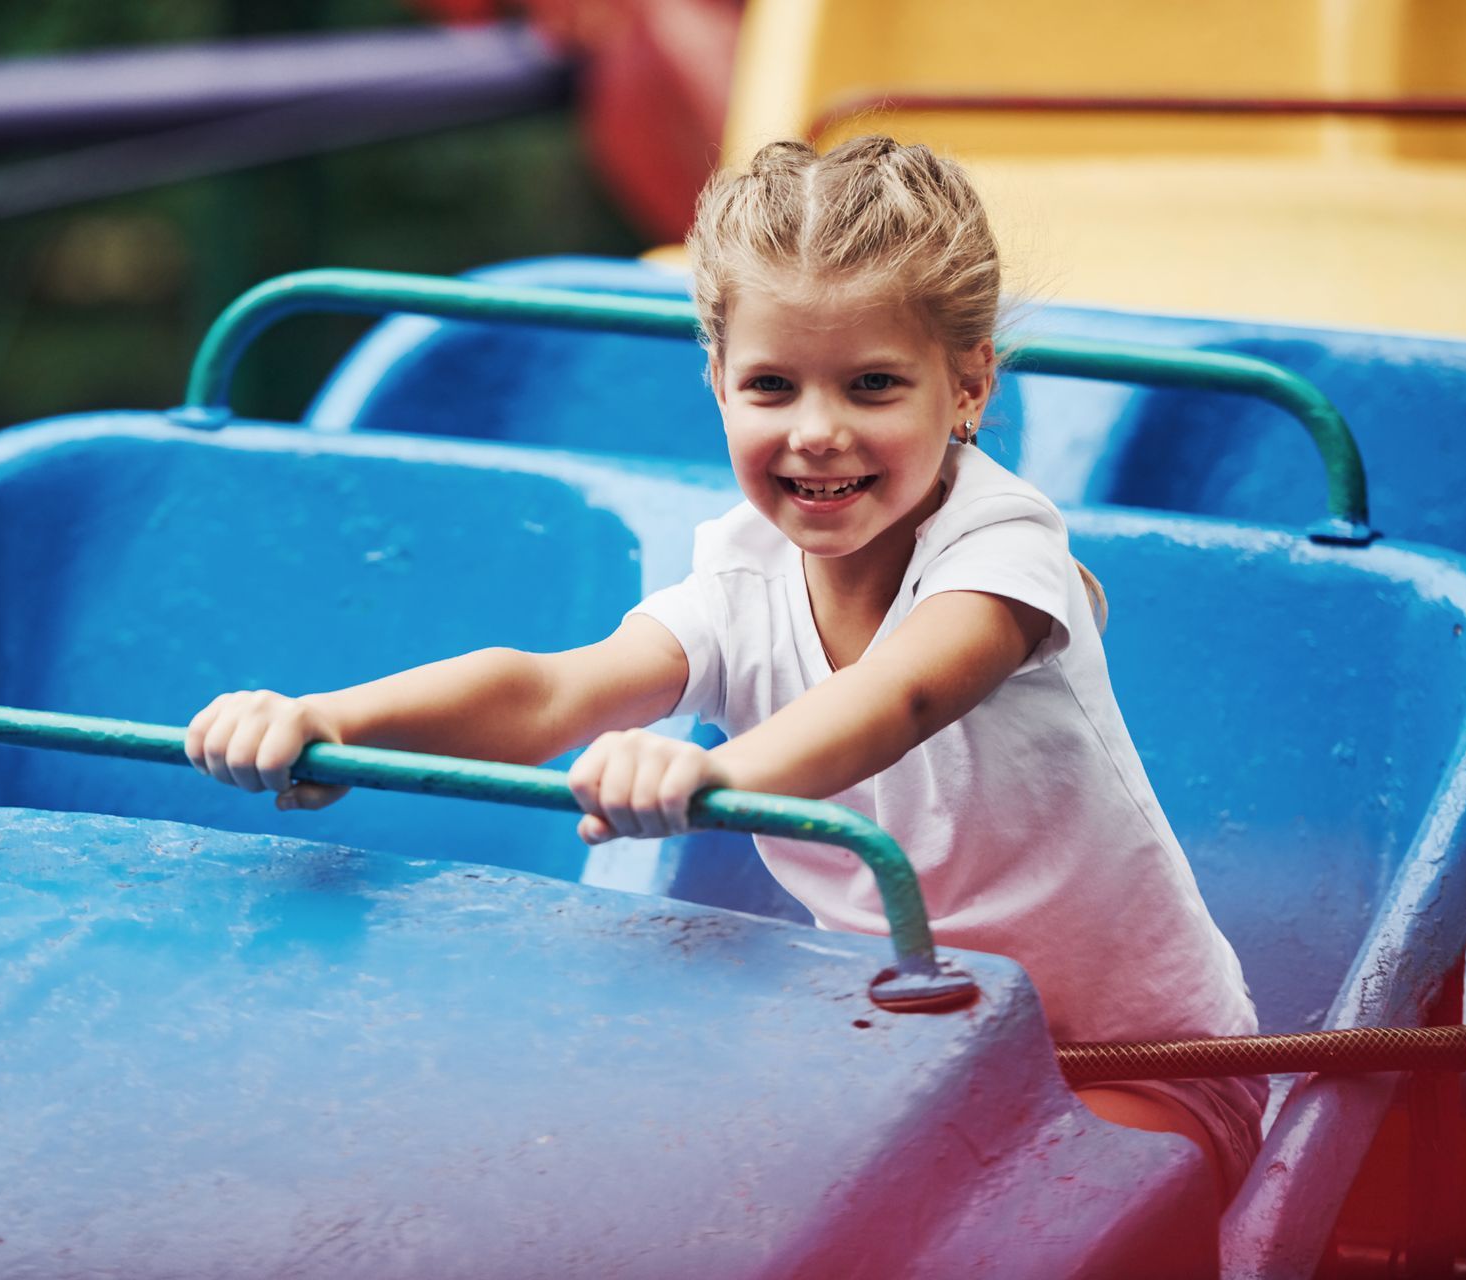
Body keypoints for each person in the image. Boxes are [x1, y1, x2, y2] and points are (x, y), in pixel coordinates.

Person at [185, 135, 1265, 1201]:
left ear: (969, 383)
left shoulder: (1001, 552)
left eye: (875, 385)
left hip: (1141, 1067)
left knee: (1019, 1223)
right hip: (920, 1036)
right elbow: (553, 687)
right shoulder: (741, 575)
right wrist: (333, 720)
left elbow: (904, 693)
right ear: (719, 384)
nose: (819, 430)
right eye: (773, 386)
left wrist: (714, 774)